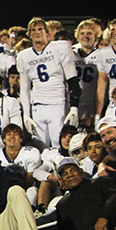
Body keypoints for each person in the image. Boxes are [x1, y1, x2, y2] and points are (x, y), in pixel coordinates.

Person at [15, 17, 80, 148]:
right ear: (29, 34)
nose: (36, 32)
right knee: (41, 147)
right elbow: (25, 89)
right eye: (33, 30)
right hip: (38, 105)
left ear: (47, 31)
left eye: (40, 29)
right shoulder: (23, 56)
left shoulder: (60, 47)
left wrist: (74, 106)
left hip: (58, 103)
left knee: (59, 145)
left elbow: (72, 80)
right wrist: (27, 115)